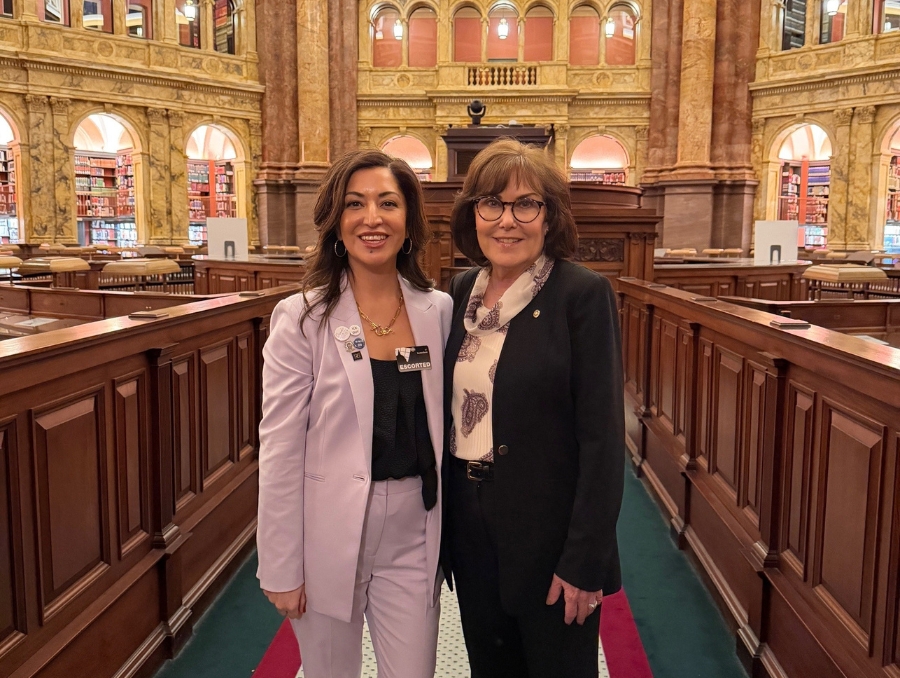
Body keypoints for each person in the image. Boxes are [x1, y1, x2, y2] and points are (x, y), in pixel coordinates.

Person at [257, 149, 452, 678]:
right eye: (355, 204)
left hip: (415, 529)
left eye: (388, 203)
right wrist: (279, 563)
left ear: (408, 221)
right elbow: (279, 448)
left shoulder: (437, 309)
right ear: (335, 224)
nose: (372, 218)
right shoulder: (302, 317)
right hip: (327, 529)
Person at [442, 138, 626, 678]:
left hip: (551, 536)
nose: (507, 221)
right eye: (492, 203)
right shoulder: (458, 293)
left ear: (549, 217)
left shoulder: (582, 294)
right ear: (472, 213)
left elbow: (602, 438)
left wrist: (584, 561)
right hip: (471, 526)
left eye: (526, 204)